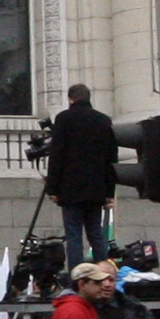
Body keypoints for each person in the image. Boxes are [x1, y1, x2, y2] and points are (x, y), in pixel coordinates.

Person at [44, 83, 117, 263]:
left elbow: (57, 155)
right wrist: (109, 192)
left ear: (70, 99)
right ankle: (102, 273)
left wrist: (52, 188)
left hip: (70, 189)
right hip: (96, 189)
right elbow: (111, 159)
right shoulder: (103, 120)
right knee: (96, 234)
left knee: (74, 236)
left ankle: (78, 278)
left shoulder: (63, 119)